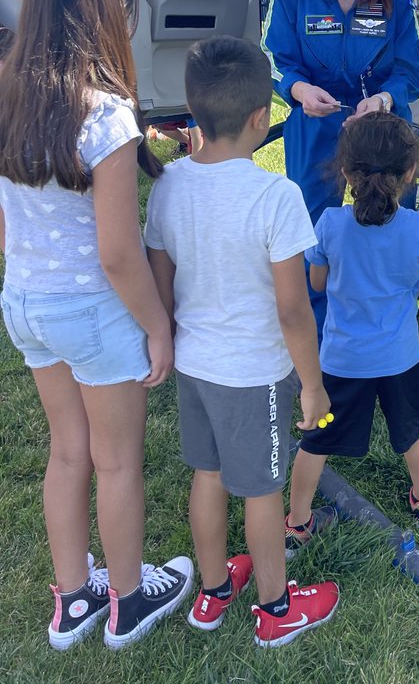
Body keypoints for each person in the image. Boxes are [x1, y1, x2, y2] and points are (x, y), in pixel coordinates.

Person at [0, 0, 193, 651]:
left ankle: (74, 599)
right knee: (116, 463)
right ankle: (130, 600)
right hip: (94, 313)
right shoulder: (106, 114)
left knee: (66, 453)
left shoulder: (4, 93)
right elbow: (118, 254)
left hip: (25, 303)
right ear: (99, 21)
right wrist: (158, 328)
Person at [144, 35, 340, 648]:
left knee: (207, 475)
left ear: (192, 109)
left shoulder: (169, 185)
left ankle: (211, 592)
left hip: (195, 367)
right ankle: (276, 609)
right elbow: (292, 307)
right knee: (262, 490)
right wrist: (312, 384)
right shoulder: (276, 197)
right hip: (257, 374)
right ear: (262, 118)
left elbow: (161, 283)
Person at [261, 0, 419, 336]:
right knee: (313, 224)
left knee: (392, 219)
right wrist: (298, 90)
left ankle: (390, 318)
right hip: (315, 123)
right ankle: (319, 327)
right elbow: (274, 58)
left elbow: (413, 69)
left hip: (382, 127)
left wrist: (386, 100)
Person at [286, 111, 419, 548]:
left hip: (341, 359)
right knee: (414, 430)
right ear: (410, 172)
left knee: (317, 440)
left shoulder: (329, 225)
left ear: (344, 172)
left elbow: (317, 282)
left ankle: (296, 524)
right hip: (400, 358)